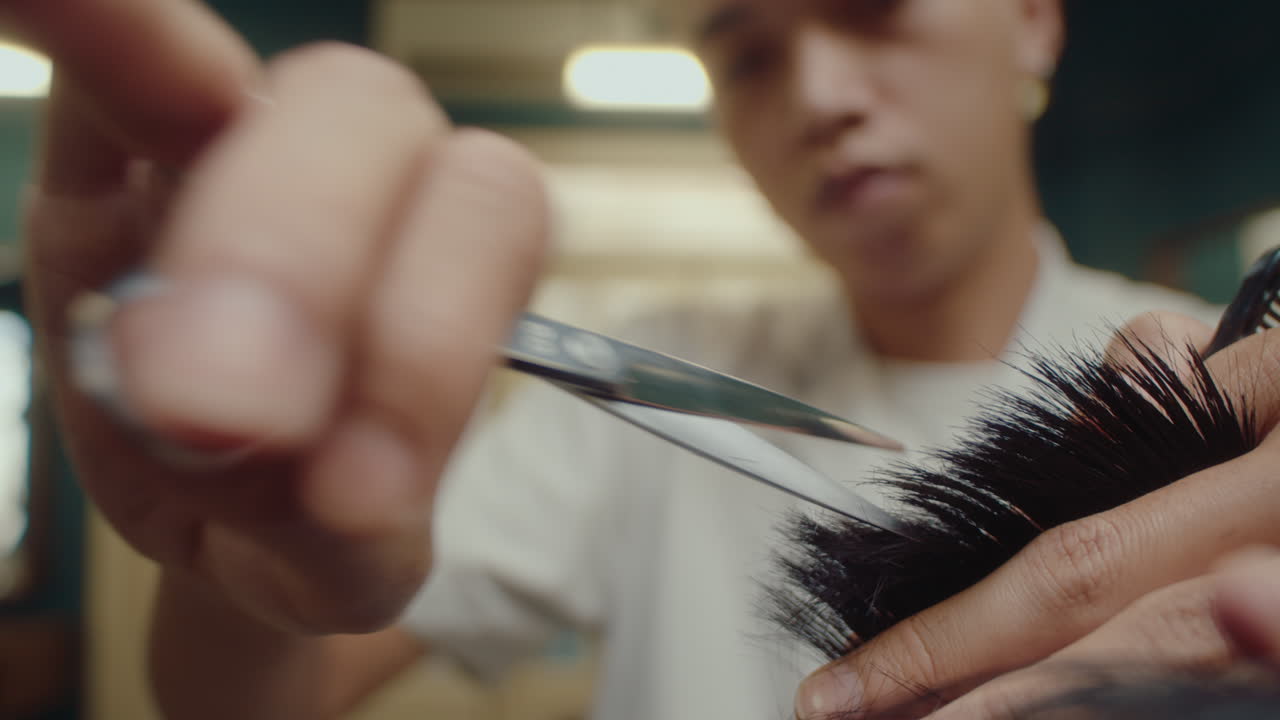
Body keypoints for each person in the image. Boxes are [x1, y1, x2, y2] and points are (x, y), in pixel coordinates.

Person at [12, 0, 1280, 719]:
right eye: (746, 49)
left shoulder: (1208, 383)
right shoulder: (642, 378)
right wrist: (247, 546)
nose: (822, 93)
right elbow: (257, 703)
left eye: (870, 7)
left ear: (1030, 23)